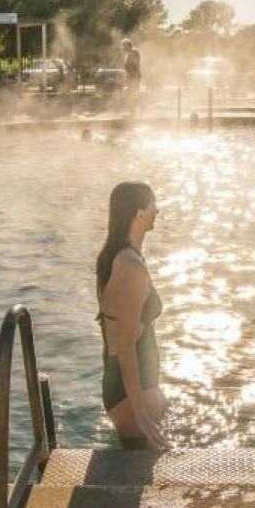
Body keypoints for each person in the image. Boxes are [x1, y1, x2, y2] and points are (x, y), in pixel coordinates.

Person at [96, 181, 168, 450]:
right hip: (130, 394)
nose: (157, 210)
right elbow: (125, 347)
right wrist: (142, 417)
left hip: (132, 388)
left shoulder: (115, 256)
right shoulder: (129, 265)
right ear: (138, 214)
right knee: (144, 483)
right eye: (153, 204)